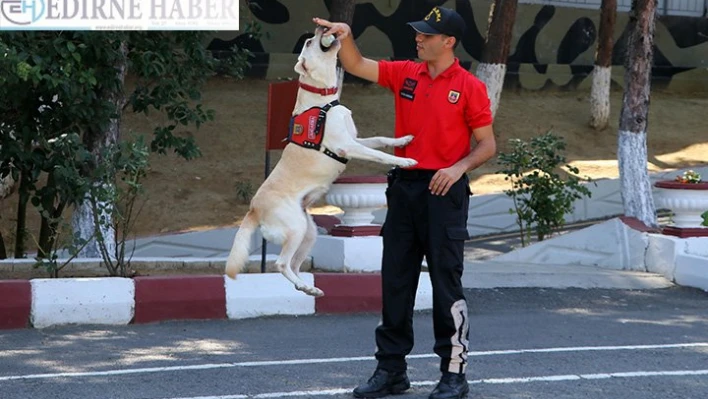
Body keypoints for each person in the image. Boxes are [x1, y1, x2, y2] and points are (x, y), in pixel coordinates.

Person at [314, 6, 496, 399]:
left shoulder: (468, 86)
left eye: (427, 35)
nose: (418, 38)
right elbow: (359, 64)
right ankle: (391, 370)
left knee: (447, 284)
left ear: (448, 42)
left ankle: (453, 374)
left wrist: (458, 168)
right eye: (419, 33)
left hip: (444, 192)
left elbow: (487, 144)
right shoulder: (405, 73)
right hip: (403, 190)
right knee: (396, 281)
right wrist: (345, 35)